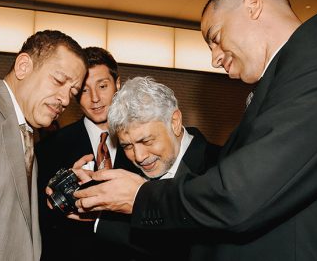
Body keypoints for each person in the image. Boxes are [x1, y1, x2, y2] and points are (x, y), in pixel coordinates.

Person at [72, 0, 317, 261]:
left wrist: (141, 197)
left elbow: (239, 195)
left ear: (253, 5)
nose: (214, 58)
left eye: (215, 37)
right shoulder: (277, 87)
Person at [0, 30, 87, 260]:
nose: (65, 99)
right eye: (59, 81)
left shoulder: (27, 134)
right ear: (23, 66)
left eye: (72, 92)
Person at [71, 76, 221, 260]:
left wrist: (102, 221)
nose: (139, 157)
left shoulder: (220, 167)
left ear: (174, 122)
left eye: (147, 141)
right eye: (127, 146)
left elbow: (190, 247)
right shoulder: (128, 173)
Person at [35, 47, 141, 261]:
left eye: (102, 86)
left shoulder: (143, 140)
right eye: (84, 90)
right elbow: (37, 219)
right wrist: (63, 193)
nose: (95, 98)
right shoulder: (51, 147)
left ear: (117, 85)